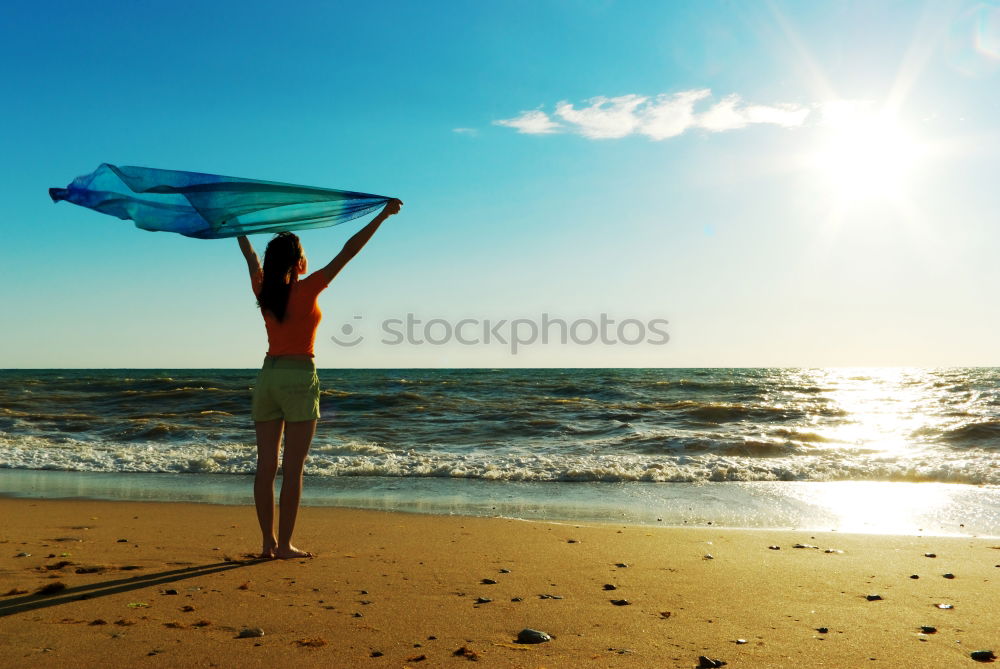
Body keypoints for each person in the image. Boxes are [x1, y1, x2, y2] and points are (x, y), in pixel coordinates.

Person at [237, 198, 402, 559]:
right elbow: (349, 251)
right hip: (299, 376)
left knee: (266, 467)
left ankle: (266, 544)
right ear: (299, 262)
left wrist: (234, 223)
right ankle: (284, 546)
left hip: (268, 377)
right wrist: (382, 215)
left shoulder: (262, 290)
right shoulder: (308, 288)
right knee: (292, 470)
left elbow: (250, 256)